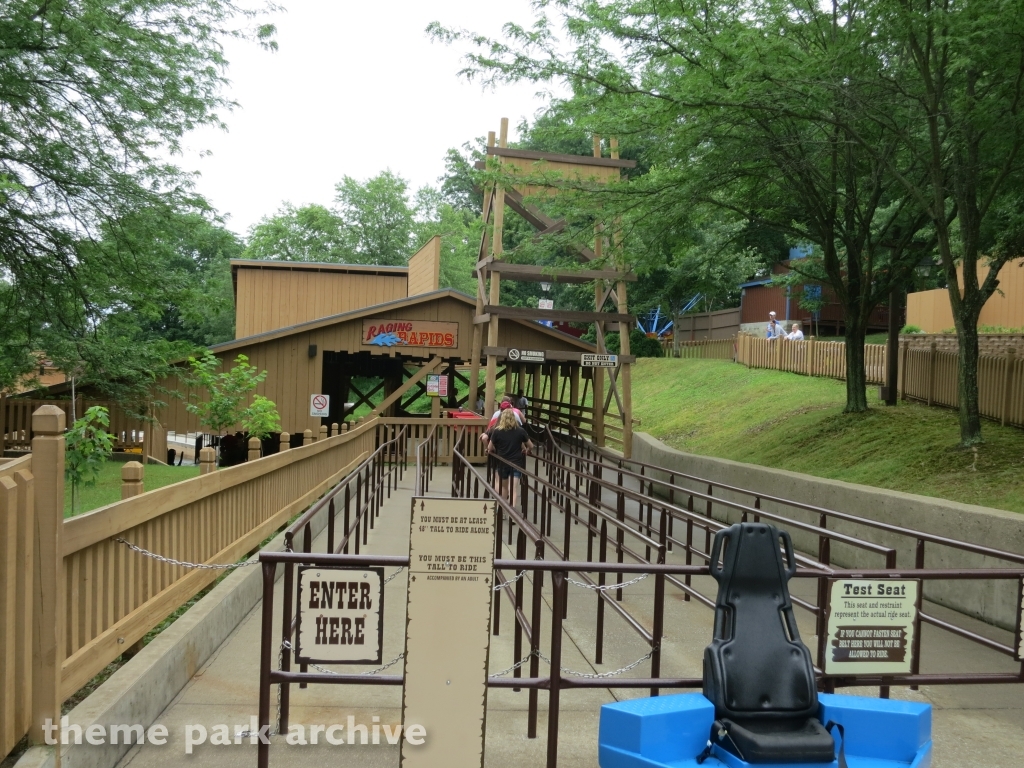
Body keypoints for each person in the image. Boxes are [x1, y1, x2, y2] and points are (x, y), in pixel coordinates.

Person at [485, 407, 533, 506]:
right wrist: (527, 450)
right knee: (513, 490)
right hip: (516, 463)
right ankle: (512, 514)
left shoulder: (497, 431)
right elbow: (531, 445)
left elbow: (490, 448)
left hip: (502, 463)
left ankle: (502, 510)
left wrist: (490, 450)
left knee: (504, 488)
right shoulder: (520, 431)